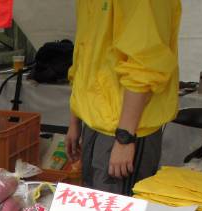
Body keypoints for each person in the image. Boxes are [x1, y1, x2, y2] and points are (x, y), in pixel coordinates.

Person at [65, 0, 181, 195]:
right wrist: (75, 119)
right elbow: (84, 59)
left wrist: (125, 138)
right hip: (95, 123)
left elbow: (145, 65)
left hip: (125, 129)